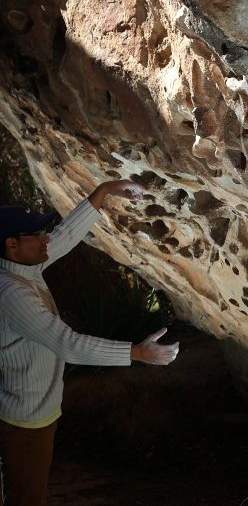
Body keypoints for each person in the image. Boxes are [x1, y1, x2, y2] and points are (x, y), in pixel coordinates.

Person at [0, 180, 180, 505]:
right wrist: (137, 353)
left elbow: (64, 237)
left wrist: (104, 191)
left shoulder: (22, 265)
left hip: (35, 408)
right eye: (36, 234)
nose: (45, 238)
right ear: (12, 243)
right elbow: (66, 343)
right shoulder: (12, 293)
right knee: (26, 498)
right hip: (25, 418)